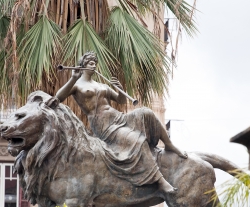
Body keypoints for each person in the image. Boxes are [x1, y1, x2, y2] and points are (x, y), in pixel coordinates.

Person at [55, 51, 187, 194]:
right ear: (83, 66)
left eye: (95, 64)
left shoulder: (100, 84)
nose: (94, 66)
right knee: (137, 140)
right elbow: (58, 97)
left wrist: (120, 90)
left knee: (146, 113)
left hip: (117, 117)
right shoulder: (77, 85)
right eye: (90, 64)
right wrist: (72, 79)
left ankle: (169, 144)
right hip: (103, 124)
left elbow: (120, 100)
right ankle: (160, 180)